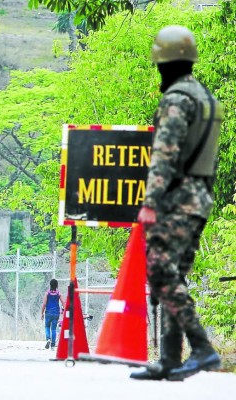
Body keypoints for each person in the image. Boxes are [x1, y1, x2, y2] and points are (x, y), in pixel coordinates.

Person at [131, 25, 223, 381]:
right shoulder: (206, 99)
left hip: (178, 198)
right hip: (201, 197)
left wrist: (151, 201)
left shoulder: (175, 100)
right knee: (175, 275)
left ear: (162, 63)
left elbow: (164, 156)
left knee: (161, 272)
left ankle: (201, 347)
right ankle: (170, 360)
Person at [41, 279, 64, 350]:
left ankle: (48, 339)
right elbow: (64, 302)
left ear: (50, 285)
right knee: (53, 329)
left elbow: (44, 304)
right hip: (56, 313)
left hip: (48, 312)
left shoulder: (47, 293)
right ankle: (53, 345)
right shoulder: (58, 293)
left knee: (47, 327)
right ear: (57, 285)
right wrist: (63, 310)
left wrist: (42, 313)